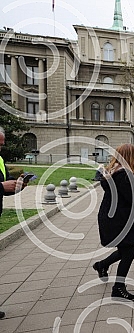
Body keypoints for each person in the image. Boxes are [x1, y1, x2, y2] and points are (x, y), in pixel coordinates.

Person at [93, 144, 134, 301]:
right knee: (129, 252)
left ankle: (102, 265)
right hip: (119, 220)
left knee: (125, 250)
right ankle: (118, 288)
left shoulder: (118, 170)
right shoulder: (124, 175)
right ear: (128, 156)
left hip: (115, 217)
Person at [0, 126, 28, 320]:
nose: (1, 148)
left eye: (2, 144)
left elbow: (6, 184)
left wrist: (17, 186)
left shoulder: (0, 160)